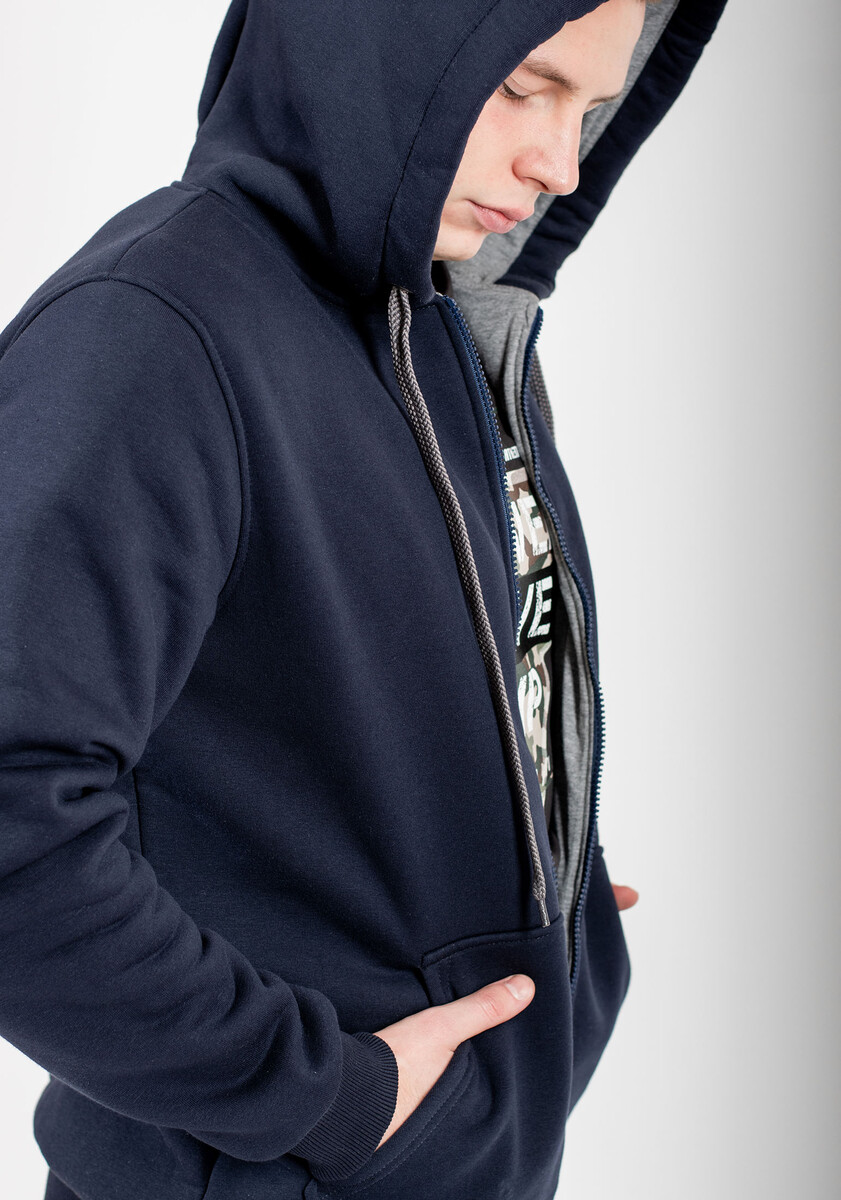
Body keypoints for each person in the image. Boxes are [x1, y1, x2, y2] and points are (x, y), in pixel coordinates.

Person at [0, 0, 726, 1197]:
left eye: (589, 108)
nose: (559, 163)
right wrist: (318, 1091)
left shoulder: (438, 328)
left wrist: (541, 893)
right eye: (521, 86)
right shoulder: (154, 333)